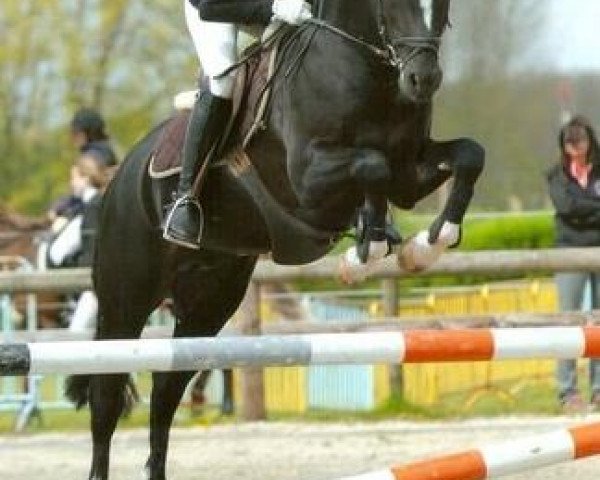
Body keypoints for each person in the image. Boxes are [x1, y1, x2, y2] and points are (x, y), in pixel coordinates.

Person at [162, 0, 313, 249]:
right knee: (223, 80)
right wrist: (274, 7)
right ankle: (185, 198)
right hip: (211, 6)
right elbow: (211, 7)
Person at [546, 115, 600, 412]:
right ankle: (567, 391)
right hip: (569, 251)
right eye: (570, 142)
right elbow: (566, 207)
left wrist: (583, 208)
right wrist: (592, 207)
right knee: (568, 318)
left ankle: (599, 388)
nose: (575, 147)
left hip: (599, 250)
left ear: (590, 141)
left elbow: (576, 208)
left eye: (580, 140)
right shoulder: (556, 175)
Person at [47, 155, 111, 331]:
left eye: (74, 177)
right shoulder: (103, 202)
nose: (71, 183)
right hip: (104, 286)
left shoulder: (90, 208)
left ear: (86, 178)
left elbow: (57, 253)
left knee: (74, 337)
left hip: (92, 289)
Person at [47, 108, 118, 224]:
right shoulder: (103, 153)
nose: (73, 137)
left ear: (89, 133)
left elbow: (85, 194)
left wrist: (60, 208)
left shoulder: (93, 157)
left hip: (89, 218)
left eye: (76, 133)